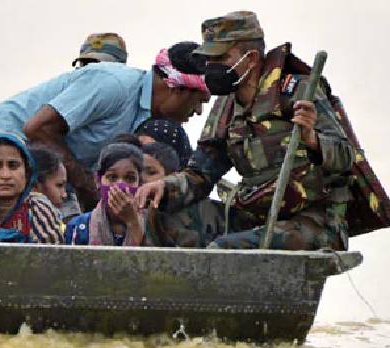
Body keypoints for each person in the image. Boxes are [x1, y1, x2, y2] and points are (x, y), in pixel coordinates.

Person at [137, 11, 357, 250]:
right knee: (162, 217)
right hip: (255, 215)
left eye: (220, 58)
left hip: (313, 222)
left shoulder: (297, 90)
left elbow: (346, 157)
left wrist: (312, 139)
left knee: (226, 250)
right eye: (208, 60)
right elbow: (201, 173)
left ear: (251, 59)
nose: (211, 67)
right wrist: (164, 187)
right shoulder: (227, 105)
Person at [0, 40, 210, 215]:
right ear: (176, 89)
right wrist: (89, 187)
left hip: (40, 173)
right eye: (199, 101)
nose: (198, 111)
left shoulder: (141, 115)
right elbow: (37, 129)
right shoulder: (114, 84)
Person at [65, 143, 145, 246]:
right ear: (98, 181)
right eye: (112, 177)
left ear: (140, 183)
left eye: (130, 178)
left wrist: (133, 222)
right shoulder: (79, 227)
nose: (120, 186)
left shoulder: (152, 226)